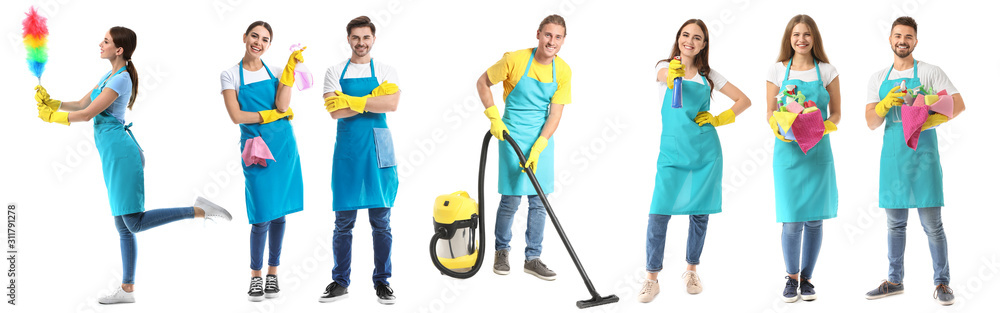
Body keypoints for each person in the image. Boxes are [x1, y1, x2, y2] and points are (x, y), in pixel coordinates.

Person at [33, 26, 232, 305]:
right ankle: (127, 290)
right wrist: (51, 101)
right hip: (113, 155)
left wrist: (51, 117)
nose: (99, 44)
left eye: (105, 41)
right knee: (123, 226)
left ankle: (199, 210)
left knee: (134, 223)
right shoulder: (110, 75)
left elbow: (89, 114)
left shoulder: (122, 78)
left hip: (122, 155)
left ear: (119, 49)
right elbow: (80, 103)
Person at [637, 19, 751, 303]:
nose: (690, 41)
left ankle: (691, 270)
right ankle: (651, 278)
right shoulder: (663, 67)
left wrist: (720, 118)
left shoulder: (708, 74)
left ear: (704, 44)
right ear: (678, 39)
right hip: (672, 154)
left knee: (699, 214)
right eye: (685, 35)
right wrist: (673, 74)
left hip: (704, 153)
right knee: (658, 213)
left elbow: (744, 100)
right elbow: (663, 76)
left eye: (697, 37)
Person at [862, 16, 965, 306]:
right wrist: (883, 105)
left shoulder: (931, 72)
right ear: (890, 39)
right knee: (895, 225)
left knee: (932, 225)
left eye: (908, 36)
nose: (902, 41)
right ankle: (894, 281)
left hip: (924, 158)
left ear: (915, 41)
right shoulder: (878, 78)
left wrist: (926, 117)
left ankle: (942, 283)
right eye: (897, 36)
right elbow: (871, 122)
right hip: (893, 159)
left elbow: (958, 104)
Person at [475, 14, 571, 282]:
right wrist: (494, 116)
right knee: (511, 199)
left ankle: (533, 258)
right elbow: (482, 82)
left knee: (539, 201)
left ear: (563, 41)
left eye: (558, 37)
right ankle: (501, 251)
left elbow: (555, 114)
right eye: (548, 35)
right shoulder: (515, 59)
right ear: (538, 34)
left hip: (542, 139)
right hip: (512, 135)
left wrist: (540, 146)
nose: (552, 41)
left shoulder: (562, 71)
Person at [318, 16, 402, 305]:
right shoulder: (333, 71)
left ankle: (383, 282)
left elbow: (391, 104)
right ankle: (340, 281)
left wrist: (350, 100)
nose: (361, 43)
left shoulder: (387, 70)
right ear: (348, 39)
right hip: (349, 152)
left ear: (373, 39)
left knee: (381, 221)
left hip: (379, 150)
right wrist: (369, 99)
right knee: (343, 222)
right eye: (356, 37)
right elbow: (334, 111)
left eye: (366, 37)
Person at [219, 21, 305, 302]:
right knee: (261, 215)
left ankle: (273, 274)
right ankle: (255, 277)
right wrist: (265, 116)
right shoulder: (230, 75)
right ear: (244, 37)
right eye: (254, 36)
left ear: (269, 45)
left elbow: (282, 106)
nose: (258, 42)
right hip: (255, 149)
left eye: (265, 39)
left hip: (283, 146)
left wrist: (290, 74)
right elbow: (236, 116)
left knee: (279, 213)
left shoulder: (277, 72)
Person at [764, 14, 840, 303]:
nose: (801, 40)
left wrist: (825, 126)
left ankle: (807, 279)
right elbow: (770, 112)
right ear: (789, 38)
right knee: (792, 220)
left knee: (815, 220)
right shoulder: (776, 70)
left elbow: (837, 113)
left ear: (814, 38)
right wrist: (776, 127)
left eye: (807, 34)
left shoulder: (828, 71)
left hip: (819, 151)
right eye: (796, 34)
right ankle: (791, 277)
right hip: (787, 153)